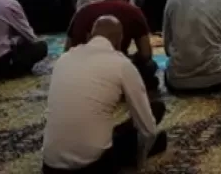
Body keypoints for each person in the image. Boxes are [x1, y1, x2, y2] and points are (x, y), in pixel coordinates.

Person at [42, 16, 168, 173]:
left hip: (50, 165)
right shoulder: (122, 64)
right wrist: (140, 159)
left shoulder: (63, 59)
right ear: (119, 41)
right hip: (94, 165)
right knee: (155, 113)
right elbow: (148, 130)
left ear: (90, 36)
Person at [67, 0, 158, 89]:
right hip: (115, 69)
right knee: (150, 66)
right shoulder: (133, 11)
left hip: (80, 71)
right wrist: (132, 59)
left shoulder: (83, 10)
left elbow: (67, 49)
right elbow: (146, 54)